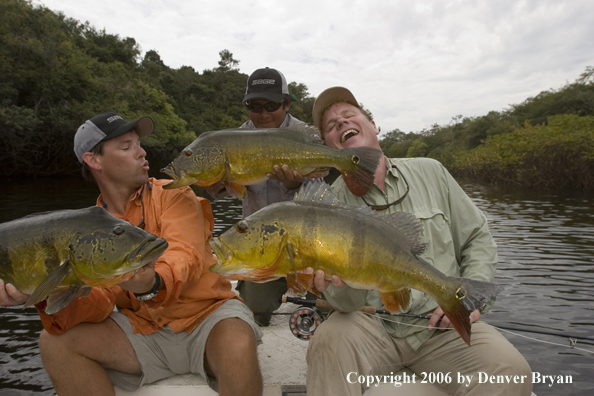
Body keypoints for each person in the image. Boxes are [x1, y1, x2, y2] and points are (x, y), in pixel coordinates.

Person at [1, 112, 263, 396]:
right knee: (54, 343)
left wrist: (151, 284)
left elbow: (184, 256)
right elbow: (99, 302)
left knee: (238, 343)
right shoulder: (90, 228)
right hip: (143, 330)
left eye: (138, 144)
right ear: (93, 160)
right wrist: (41, 293)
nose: (142, 152)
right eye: (126, 147)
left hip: (209, 319)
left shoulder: (175, 194)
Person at [304, 87, 533, 396]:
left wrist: (468, 296)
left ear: (374, 127)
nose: (341, 124)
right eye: (331, 127)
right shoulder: (328, 205)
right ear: (330, 147)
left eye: (348, 116)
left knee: (511, 370)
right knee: (329, 339)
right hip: (373, 329)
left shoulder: (432, 171)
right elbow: (348, 306)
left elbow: (477, 236)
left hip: (440, 330)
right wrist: (332, 286)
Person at [207, 67, 311, 326]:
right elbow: (222, 191)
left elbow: (321, 199)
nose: (263, 114)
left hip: (307, 244)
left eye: (271, 105)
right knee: (256, 311)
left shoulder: (305, 136)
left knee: (334, 306)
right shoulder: (236, 140)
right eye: (255, 107)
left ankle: (310, 288)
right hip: (260, 247)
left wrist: (295, 185)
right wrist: (214, 184)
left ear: (286, 104)